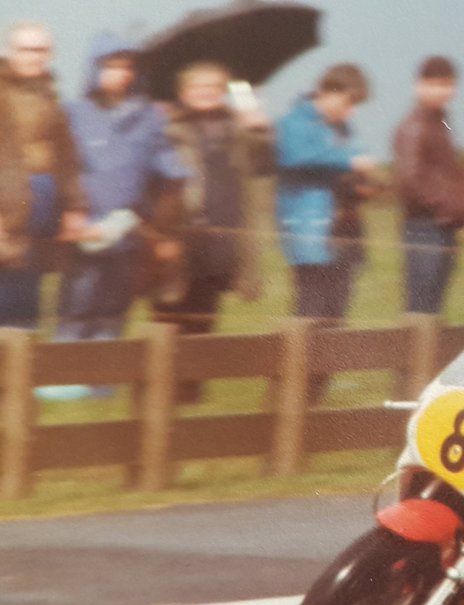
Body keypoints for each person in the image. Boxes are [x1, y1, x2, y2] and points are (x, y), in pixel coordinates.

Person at [44, 33, 188, 399]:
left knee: (114, 305)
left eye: (127, 67)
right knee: (78, 300)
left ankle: (102, 383)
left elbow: (170, 170)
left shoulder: (149, 117)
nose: (120, 74)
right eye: (111, 66)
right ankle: (63, 378)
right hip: (84, 227)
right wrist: (70, 214)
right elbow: (61, 167)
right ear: (94, 69)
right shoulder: (73, 113)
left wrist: (163, 225)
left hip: (128, 229)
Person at [149, 61, 274, 402]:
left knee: (206, 312)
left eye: (213, 87)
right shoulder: (167, 125)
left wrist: (260, 128)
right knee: (170, 308)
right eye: (197, 87)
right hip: (181, 231)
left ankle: (192, 386)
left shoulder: (238, 127)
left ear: (224, 93)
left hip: (222, 234)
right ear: (183, 93)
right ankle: (160, 384)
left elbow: (265, 164)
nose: (205, 93)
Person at [275, 63, 378, 401]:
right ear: (328, 92)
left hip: (341, 232)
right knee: (310, 312)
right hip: (309, 232)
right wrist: (350, 161)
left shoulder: (341, 127)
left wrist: (360, 186)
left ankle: (316, 392)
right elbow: (297, 157)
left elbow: (337, 170)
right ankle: (290, 388)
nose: (348, 112)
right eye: (346, 103)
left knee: (336, 312)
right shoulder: (294, 122)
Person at [0, 21, 88, 330]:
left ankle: (16, 375)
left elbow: (66, 156)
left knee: (26, 306)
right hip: (4, 210)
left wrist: (75, 207)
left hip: (39, 209)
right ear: (11, 52)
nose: (33, 57)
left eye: (40, 50)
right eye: (25, 49)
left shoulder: (50, 94)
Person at [392, 56, 464, 316]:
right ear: (420, 86)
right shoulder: (415, 126)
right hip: (424, 227)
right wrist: (448, 206)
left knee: (434, 309)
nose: (444, 90)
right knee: (421, 309)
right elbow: (410, 180)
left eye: (449, 84)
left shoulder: (441, 122)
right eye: (437, 84)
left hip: (442, 227)